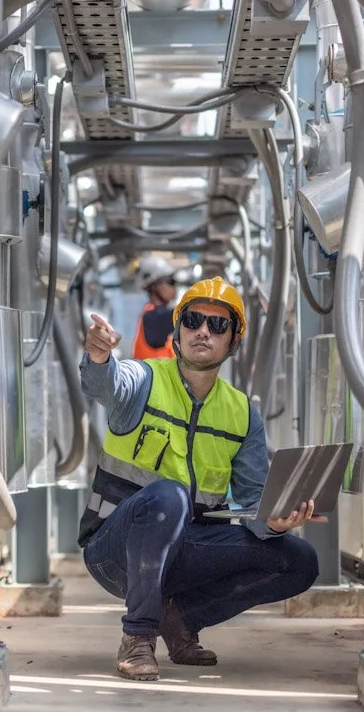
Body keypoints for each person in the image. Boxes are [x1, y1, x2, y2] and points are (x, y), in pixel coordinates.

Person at [79, 276, 321, 682]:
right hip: (113, 552)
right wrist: (99, 356)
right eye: (192, 320)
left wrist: (274, 522)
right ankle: (138, 636)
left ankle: (181, 618)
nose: (203, 331)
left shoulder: (242, 413)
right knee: (169, 497)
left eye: (218, 325)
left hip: (182, 552)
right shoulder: (144, 380)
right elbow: (105, 383)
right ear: (177, 332)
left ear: (234, 341)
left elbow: (254, 502)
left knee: (297, 559)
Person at [132, 255, 177, 360]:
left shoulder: (153, 314)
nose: (174, 286)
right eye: (171, 281)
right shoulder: (154, 317)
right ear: (154, 286)